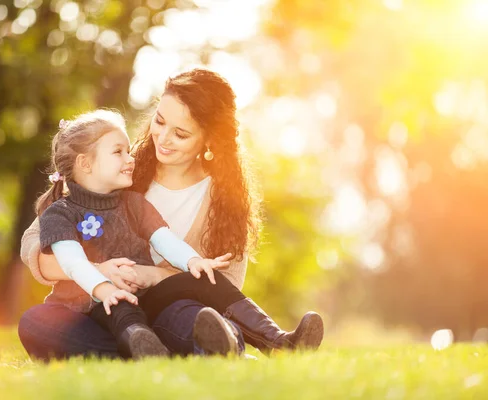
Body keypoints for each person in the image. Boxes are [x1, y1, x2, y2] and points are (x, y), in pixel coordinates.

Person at [18, 68, 323, 361]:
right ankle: (155, 351)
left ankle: (275, 343)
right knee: (37, 322)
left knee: (200, 319)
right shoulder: (121, 168)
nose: (162, 139)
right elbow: (37, 239)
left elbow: (223, 283)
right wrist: (100, 270)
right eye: (160, 121)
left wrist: (153, 275)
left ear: (209, 140)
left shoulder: (225, 202)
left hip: (170, 310)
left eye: (180, 133)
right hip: (103, 307)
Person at [36, 109, 234, 359]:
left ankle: (270, 338)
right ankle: (150, 349)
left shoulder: (133, 202)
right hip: (88, 309)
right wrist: (104, 284)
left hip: (142, 303)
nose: (130, 159)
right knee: (37, 321)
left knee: (193, 288)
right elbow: (72, 262)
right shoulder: (59, 213)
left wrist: (193, 261)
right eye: (119, 152)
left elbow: (165, 240)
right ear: (85, 163)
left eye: (128, 151)